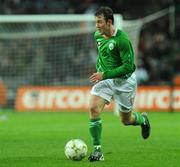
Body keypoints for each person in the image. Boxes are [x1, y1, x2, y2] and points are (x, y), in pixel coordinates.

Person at [88, 6, 151, 162]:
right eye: (96, 22)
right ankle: (97, 151)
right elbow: (103, 54)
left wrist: (105, 73)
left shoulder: (122, 40)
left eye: (99, 22)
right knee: (93, 108)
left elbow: (128, 67)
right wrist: (102, 73)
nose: (97, 26)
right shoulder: (98, 35)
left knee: (126, 120)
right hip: (106, 81)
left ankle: (142, 120)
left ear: (109, 22)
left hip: (125, 83)